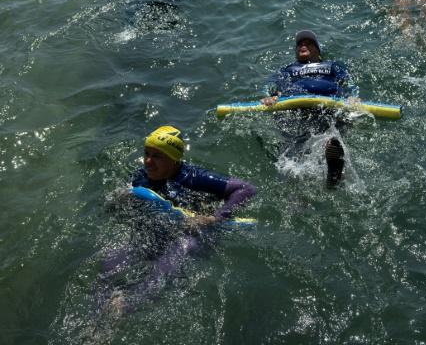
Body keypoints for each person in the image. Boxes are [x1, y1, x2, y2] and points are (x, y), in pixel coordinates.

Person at [99, 126, 255, 315]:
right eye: (146, 153)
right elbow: (113, 207)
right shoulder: (140, 177)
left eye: (157, 156)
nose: (147, 161)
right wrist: (118, 200)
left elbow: (246, 189)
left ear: (174, 159)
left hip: (192, 233)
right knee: (109, 263)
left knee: (170, 263)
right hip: (158, 230)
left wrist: (214, 217)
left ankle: (124, 308)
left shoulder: (194, 177)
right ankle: (97, 317)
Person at [260, 30, 358, 187]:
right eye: (299, 44)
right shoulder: (288, 69)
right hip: (297, 108)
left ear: (318, 50)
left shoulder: (332, 65)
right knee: (298, 147)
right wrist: (270, 96)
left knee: (334, 139)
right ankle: (328, 177)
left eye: (308, 43)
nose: (303, 45)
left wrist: (352, 96)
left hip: (330, 105)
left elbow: (349, 83)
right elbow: (272, 86)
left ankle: (335, 170)